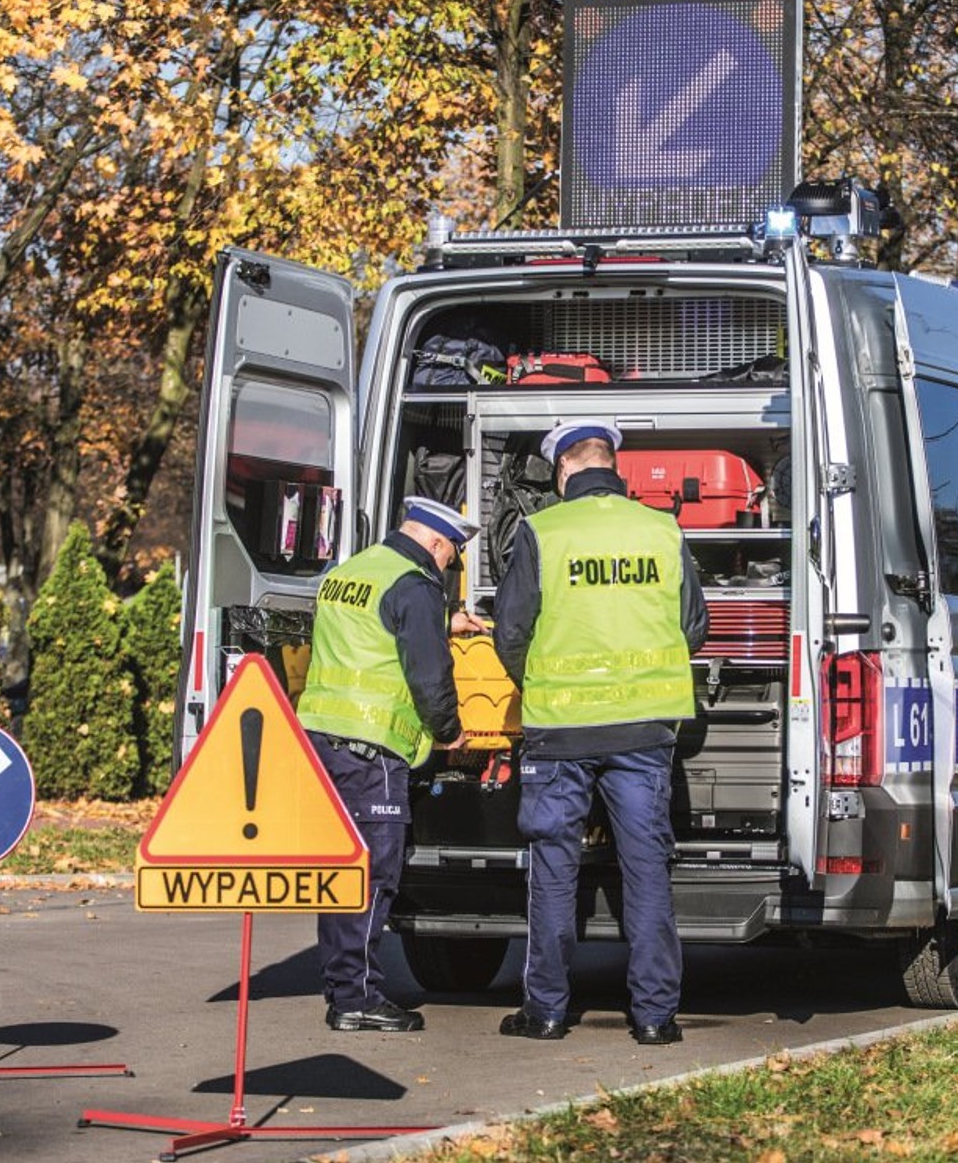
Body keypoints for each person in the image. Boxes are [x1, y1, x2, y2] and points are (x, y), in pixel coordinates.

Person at [492, 419, 709, 1045]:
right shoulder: (662, 530)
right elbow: (694, 626)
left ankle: (548, 1010)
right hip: (644, 731)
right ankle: (654, 1018)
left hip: (560, 732)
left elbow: (511, 633)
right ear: (615, 466)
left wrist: (542, 684)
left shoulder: (542, 531)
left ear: (563, 470)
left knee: (554, 869)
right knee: (646, 871)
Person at [295, 495, 483, 1032]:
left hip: (324, 740)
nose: (448, 567)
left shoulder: (350, 571)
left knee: (338, 871)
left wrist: (444, 621)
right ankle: (357, 998)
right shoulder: (416, 584)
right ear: (435, 541)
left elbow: (372, 633)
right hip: (372, 748)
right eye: (451, 556)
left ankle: (341, 984)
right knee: (374, 875)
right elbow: (428, 675)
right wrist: (450, 732)